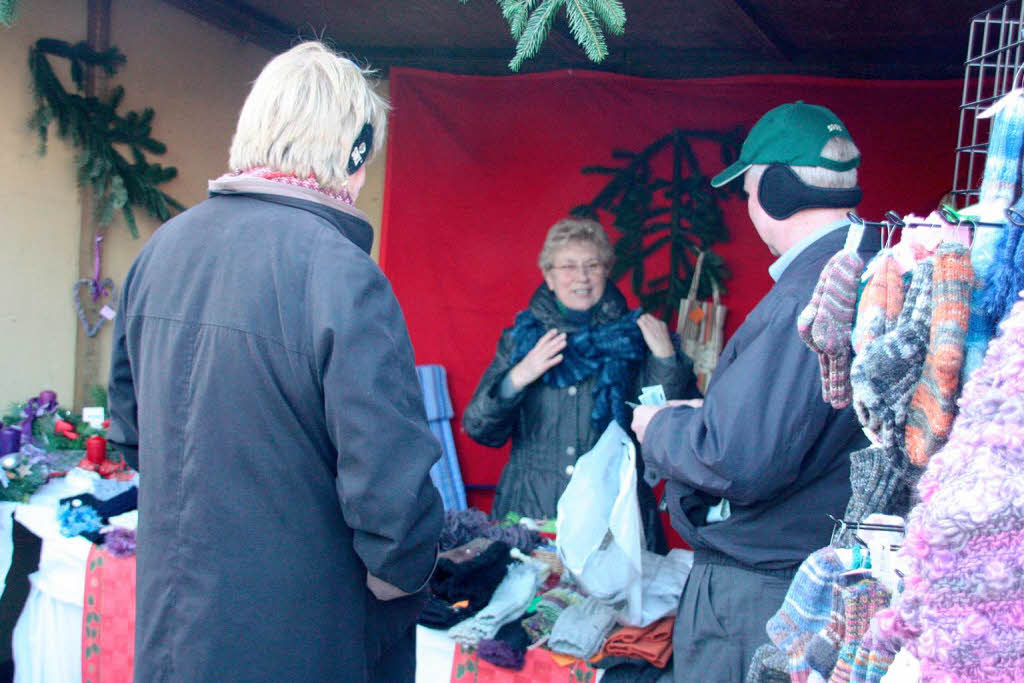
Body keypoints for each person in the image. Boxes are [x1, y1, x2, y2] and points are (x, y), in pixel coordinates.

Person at [106, 42, 443, 682]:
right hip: (300, 640)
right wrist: (398, 580)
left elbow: (131, 434)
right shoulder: (341, 274)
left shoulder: (162, 248)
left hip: (175, 630)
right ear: (351, 152)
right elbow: (391, 495)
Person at [630, 101, 877, 682]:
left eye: (748, 193)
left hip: (761, 592)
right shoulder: (870, 266)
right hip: (815, 567)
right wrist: (711, 412)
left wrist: (659, 429)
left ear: (778, 192)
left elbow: (737, 459)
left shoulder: (805, 298)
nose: (748, 210)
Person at [463, 216, 695, 547]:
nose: (582, 278)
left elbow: (665, 426)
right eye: (568, 267)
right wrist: (518, 377)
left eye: (592, 265)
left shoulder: (637, 336)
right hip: (532, 511)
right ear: (549, 276)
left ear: (607, 271)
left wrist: (666, 361)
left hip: (613, 516)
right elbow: (479, 428)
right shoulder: (522, 339)